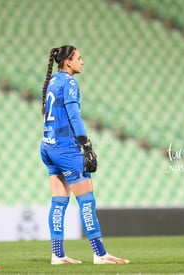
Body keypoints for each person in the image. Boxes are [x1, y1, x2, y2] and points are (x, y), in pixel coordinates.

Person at [40, 45, 130, 265]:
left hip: (47, 145)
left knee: (59, 202)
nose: (82, 61)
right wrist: (86, 144)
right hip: (65, 149)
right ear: (68, 62)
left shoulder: (53, 81)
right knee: (86, 202)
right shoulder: (69, 82)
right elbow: (73, 115)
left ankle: (57, 254)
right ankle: (100, 254)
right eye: (79, 58)